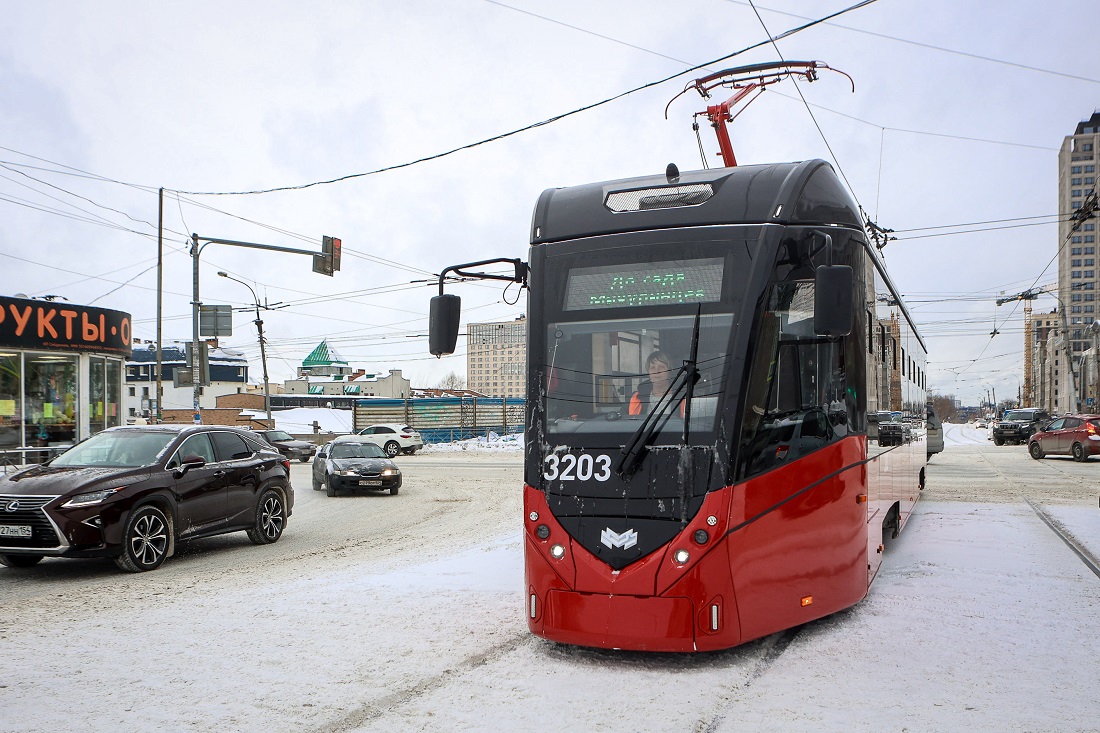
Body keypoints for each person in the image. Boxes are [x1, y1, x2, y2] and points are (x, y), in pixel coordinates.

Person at [629, 351, 678, 416]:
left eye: (662, 367)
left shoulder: (682, 397)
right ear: (648, 373)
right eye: (653, 368)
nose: (657, 371)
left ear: (669, 371)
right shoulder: (637, 397)